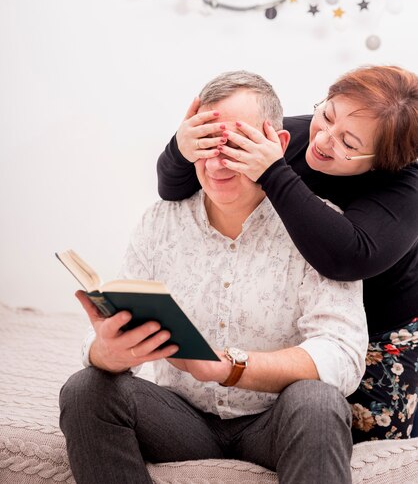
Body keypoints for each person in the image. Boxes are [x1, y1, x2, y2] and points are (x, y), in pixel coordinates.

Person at [60, 72, 368, 484]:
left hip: (273, 423)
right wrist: (107, 353)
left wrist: (229, 367)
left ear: (274, 146)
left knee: (318, 401)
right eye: (207, 142)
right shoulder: (161, 221)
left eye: (235, 144)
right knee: (85, 388)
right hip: (180, 420)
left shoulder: (319, 226)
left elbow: (343, 356)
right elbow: (104, 337)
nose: (218, 161)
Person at [156, 64, 418, 442]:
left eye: (349, 143)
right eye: (325, 115)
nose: (324, 140)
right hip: (306, 322)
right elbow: (173, 188)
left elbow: (347, 257)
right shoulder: (289, 137)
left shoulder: (406, 188)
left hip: (382, 329)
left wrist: (274, 173)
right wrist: (180, 148)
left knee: (363, 439)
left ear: (383, 161)